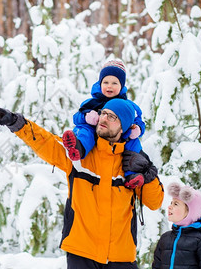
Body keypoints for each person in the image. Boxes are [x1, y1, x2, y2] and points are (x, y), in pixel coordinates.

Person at [0, 98, 164, 269]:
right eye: (104, 113)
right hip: (82, 250)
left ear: (123, 128)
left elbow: (154, 202)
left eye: (113, 117)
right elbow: (46, 142)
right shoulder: (79, 155)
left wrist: (148, 175)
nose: (104, 118)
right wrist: (17, 123)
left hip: (120, 253)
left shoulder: (131, 163)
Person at [62, 59, 146, 189]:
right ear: (100, 83)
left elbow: (138, 118)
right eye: (105, 82)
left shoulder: (126, 105)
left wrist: (138, 128)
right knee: (85, 130)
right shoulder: (93, 102)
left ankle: (131, 175)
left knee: (134, 143)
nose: (109, 86)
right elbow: (76, 117)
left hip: (117, 135)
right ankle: (78, 148)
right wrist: (86, 117)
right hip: (96, 133)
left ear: (121, 85)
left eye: (114, 83)